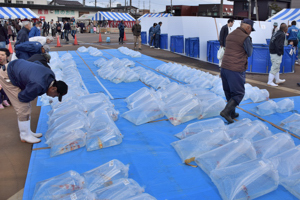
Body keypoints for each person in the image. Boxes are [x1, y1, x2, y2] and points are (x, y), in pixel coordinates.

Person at [0, 50, 68, 143]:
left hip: (16, 67)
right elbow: (22, 97)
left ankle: (28, 132)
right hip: (8, 75)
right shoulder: (39, 84)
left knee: (27, 106)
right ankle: (24, 135)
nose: (53, 97)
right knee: (23, 107)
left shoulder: (50, 75)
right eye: (55, 95)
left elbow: (36, 62)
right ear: (53, 89)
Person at [220, 19, 254, 124]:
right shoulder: (245, 37)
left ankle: (232, 113)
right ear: (248, 27)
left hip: (224, 67)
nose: (251, 32)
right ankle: (226, 112)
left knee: (229, 91)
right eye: (251, 30)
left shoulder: (231, 35)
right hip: (235, 68)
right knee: (238, 93)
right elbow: (249, 53)